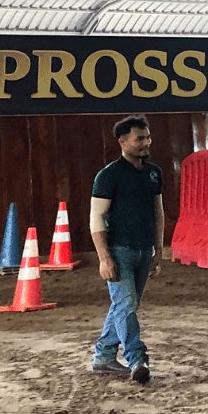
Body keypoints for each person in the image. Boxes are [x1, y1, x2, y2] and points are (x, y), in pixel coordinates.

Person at [88, 116, 163, 386]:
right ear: (123, 142)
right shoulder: (108, 176)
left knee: (125, 305)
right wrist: (104, 258)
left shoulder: (154, 172)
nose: (146, 143)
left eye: (148, 137)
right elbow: (97, 217)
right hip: (119, 250)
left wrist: (159, 249)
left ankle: (104, 355)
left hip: (144, 250)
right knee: (126, 304)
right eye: (139, 138)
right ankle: (136, 359)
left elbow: (158, 211)